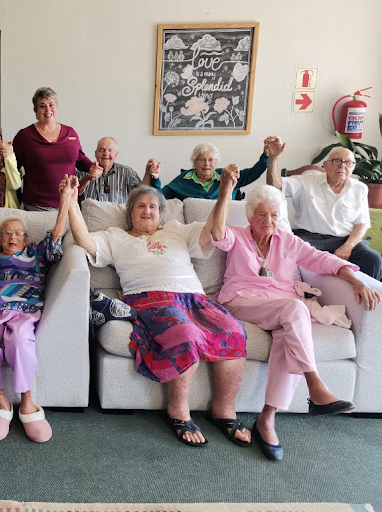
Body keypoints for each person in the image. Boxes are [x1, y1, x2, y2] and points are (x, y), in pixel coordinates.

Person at [63, 172, 251, 448]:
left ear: (161, 214)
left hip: (195, 298)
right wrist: (69, 200)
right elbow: (84, 240)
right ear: (130, 214)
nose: (147, 210)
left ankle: (224, 409)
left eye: (152, 206)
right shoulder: (115, 236)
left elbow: (212, 230)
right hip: (150, 299)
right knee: (184, 334)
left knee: (233, 331)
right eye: (140, 206)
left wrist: (224, 192)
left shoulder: (177, 230)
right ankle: (178, 409)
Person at [211, 181, 380, 460]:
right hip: (242, 301)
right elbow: (217, 234)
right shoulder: (238, 235)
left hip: (280, 306)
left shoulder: (288, 240)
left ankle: (267, 418)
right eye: (263, 215)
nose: (270, 220)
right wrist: (225, 192)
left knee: (287, 336)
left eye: (275, 215)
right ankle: (315, 385)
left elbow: (322, 260)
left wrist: (356, 281)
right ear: (250, 216)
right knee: (296, 309)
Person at [0, 200, 69, 443]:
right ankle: (2, 402)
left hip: (25, 307)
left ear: (26, 238)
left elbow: (56, 237)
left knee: (20, 339)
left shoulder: (35, 253)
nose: (12, 236)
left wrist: (67, 200)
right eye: (7, 232)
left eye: (18, 232)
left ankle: (28, 402)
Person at [266, 139, 382, 280]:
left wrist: (348, 246)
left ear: (353, 167)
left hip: (344, 240)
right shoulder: (307, 181)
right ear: (325, 165)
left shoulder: (360, 188)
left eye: (348, 162)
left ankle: (367, 298)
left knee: (373, 259)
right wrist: (273, 158)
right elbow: (274, 184)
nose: (342, 166)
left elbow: (362, 224)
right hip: (309, 239)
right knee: (287, 255)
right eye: (337, 161)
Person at [13, 87, 98, 210]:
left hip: (69, 203)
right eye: (42, 106)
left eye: (51, 105)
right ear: (36, 111)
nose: (48, 109)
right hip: (37, 206)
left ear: (56, 107)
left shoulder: (70, 133)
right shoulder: (25, 136)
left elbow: (80, 159)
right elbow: (12, 167)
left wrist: (93, 168)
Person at [155, 138, 275, 200]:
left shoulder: (228, 175)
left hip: (226, 226)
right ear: (195, 162)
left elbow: (254, 172)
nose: (206, 164)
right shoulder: (183, 179)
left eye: (211, 160)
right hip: (195, 228)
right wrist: (155, 178)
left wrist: (266, 155)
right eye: (201, 159)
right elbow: (159, 197)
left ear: (216, 162)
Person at [76, 137, 161, 203]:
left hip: (119, 221)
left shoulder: (127, 172)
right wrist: (88, 177)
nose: (106, 154)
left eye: (110, 150)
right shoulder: (83, 171)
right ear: (96, 153)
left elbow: (141, 194)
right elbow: (75, 194)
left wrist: (147, 173)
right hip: (89, 220)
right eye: (102, 150)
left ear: (116, 155)